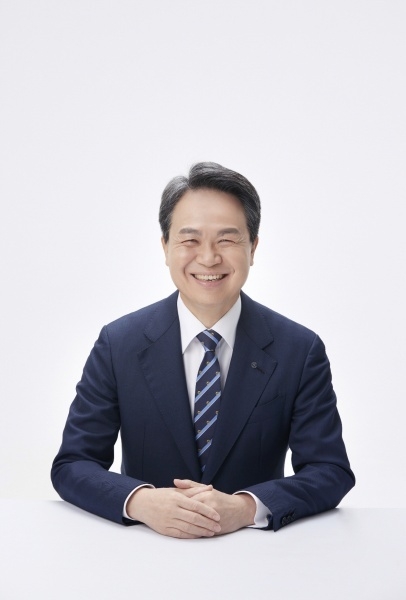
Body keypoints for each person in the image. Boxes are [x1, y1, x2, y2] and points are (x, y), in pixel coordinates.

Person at [51, 162, 355, 538]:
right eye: (190, 240)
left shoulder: (298, 349)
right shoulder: (119, 344)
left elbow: (330, 470)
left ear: (253, 248)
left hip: (257, 556)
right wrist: (142, 502)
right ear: (165, 247)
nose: (208, 258)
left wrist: (245, 508)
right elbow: (73, 464)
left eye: (226, 240)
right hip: (143, 553)